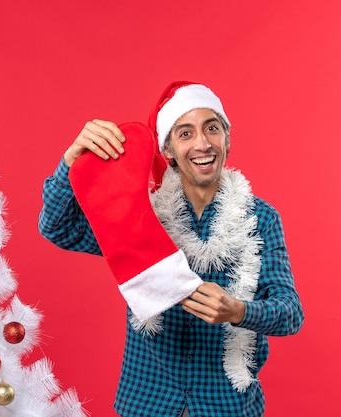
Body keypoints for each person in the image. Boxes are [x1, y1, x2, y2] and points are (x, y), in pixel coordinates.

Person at [38, 81, 304, 417]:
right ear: (168, 150)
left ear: (227, 139)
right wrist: (71, 159)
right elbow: (56, 227)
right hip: (149, 401)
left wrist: (238, 311)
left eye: (212, 129)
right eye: (186, 133)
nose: (202, 143)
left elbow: (290, 312)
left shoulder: (261, 218)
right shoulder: (139, 213)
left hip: (227, 406)